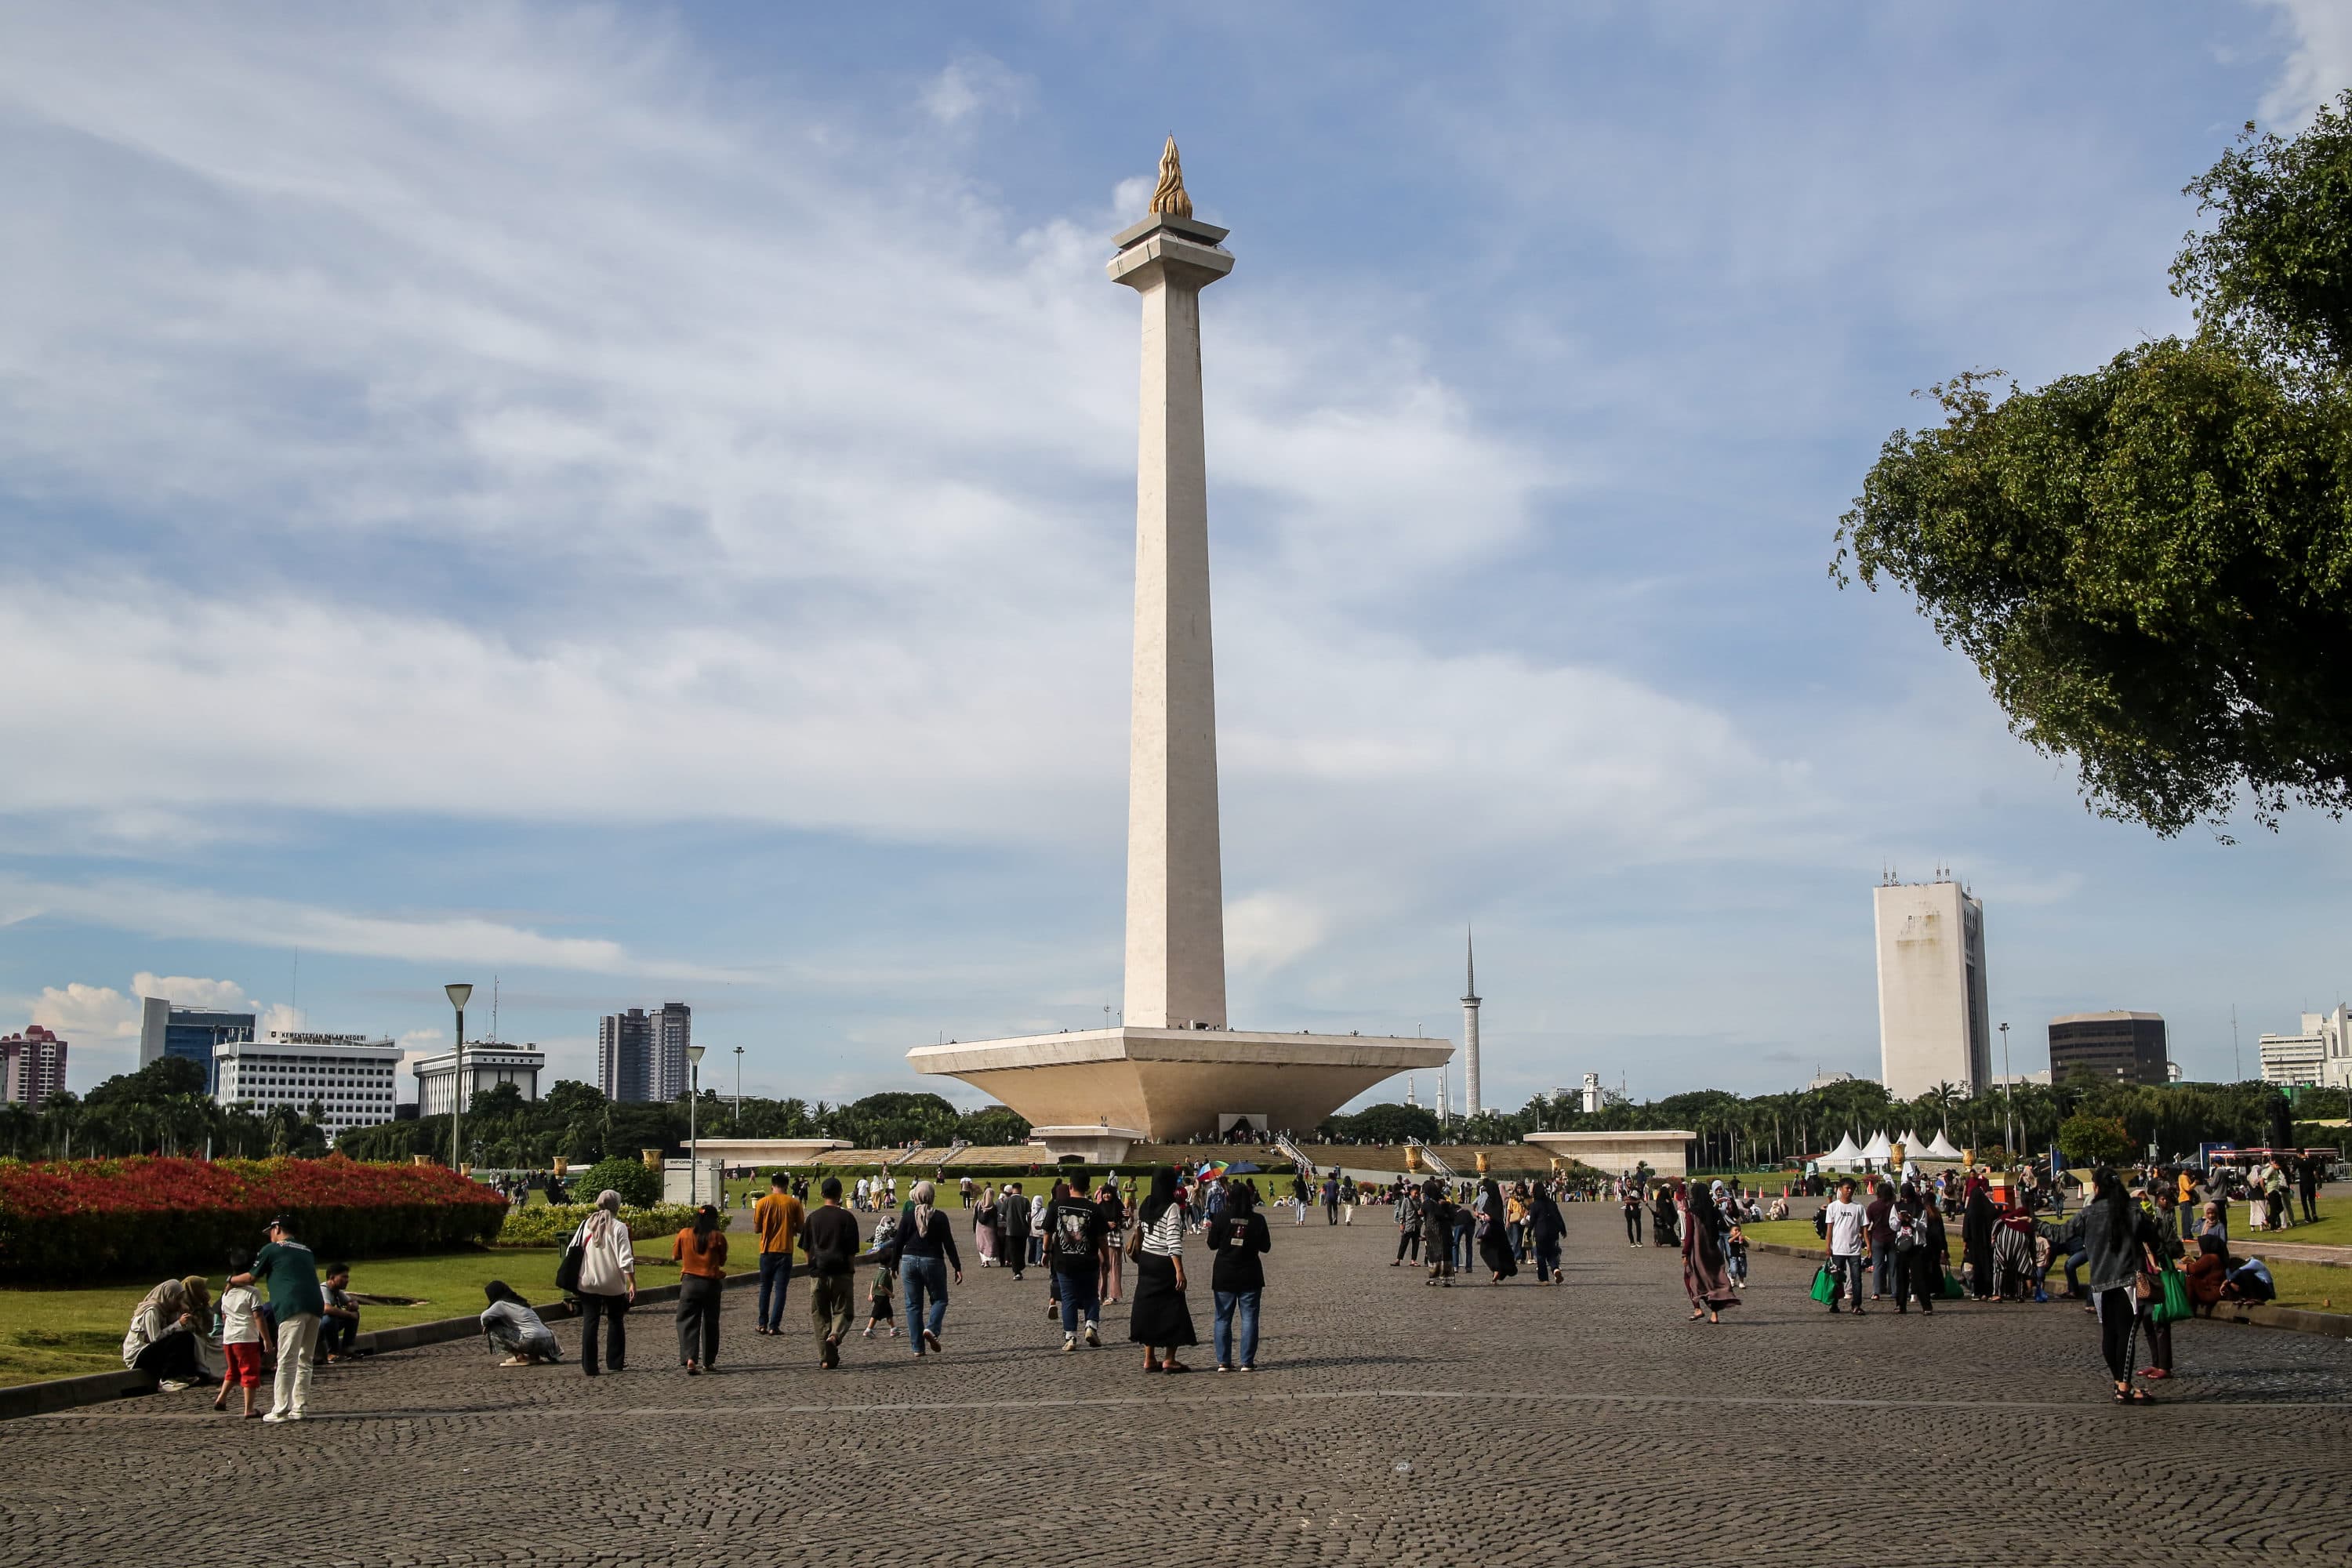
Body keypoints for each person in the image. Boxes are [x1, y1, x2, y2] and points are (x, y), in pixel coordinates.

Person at [2079, 1167, 2163, 1403]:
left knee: (2110, 1334)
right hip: (2129, 1281)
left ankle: (2119, 1383)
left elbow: (2062, 1233)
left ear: (2096, 1188)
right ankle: (2124, 1387)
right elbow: (2154, 1237)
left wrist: (2032, 1222)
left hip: (2100, 1283)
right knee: (2127, 1335)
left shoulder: (2088, 1213)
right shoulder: (2133, 1209)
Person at [238, 1215, 325, 1422]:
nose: (270, 1235)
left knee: (287, 1358)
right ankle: (300, 1407)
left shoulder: (273, 1249)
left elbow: (251, 1277)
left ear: (277, 1228)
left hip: (291, 1306)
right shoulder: (306, 1250)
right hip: (315, 1305)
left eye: (270, 1231)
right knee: (305, 1360)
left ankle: (281, 1409)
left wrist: (230, 1280)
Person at [1131, 1168, 1198, 1371]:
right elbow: (1172, 1241)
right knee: (1173, 1309)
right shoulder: (1172, 1208)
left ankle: (1149, 1357)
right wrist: (1179, 1270)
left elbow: (1140, 1229)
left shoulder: (1146, 1204)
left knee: (1148, 1308)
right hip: (1164, 1263)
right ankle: (1170, 1358)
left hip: (1146, 1261)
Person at [893, 1179, 964, 1356]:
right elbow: (948, 1243)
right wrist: (957, 1266)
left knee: (913, 1305)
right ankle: (931, 1328)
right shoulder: (940, 1217)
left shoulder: (908, 1216)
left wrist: (893, 1264)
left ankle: (917, 1348)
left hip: (909, 1260)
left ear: (916, 1195)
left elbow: (898, 1242)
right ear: (932, 1196)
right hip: (932, 1260)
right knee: (940, 1299)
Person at [1207, 1180, 1271, 1372]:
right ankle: (1247, 1362)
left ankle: (1224, 1361)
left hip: (1225, 1273)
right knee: (1249, 1318)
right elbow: (1266, 1247)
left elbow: (1212, 1244)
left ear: (1229, 1198)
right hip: (1249, 1272)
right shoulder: (1258, 1220)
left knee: (1222, 1318)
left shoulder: (1221, 1217)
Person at [571, 1188, 636, 1377]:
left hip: (588, 1281)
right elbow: (625, 1258)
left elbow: (572, 1250)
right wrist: (632, 1282)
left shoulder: (586, 1224)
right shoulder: (618, 1227)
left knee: (590, 1321)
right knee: (615, 1319)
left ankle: (589, 1365)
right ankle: (615, 1361)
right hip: (612, 1282)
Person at [1046, 1174, 1109, 1350]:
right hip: (1088, 1260)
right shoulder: (1094, 1209)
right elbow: (1102, 1238)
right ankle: (1091, 1326)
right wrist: (1106, 1258)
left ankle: (1070, 1337)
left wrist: (1045, 1252)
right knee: (1091, 1296)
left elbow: (1047, 1232)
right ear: (1088, 1187)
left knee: (1068, 1298)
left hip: (1064, 1260)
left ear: (1070, 1186)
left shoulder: (1057, 1206)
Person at [802, 1176, 860, 1369]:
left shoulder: (813, 1218)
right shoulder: (847, 1218)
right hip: (841, 1271)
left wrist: (811, 1267)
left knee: (820, 1316)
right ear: (841, 1194)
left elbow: (806, 1247)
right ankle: (835, 1336)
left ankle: (826, 1358)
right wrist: (850, 1270)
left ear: (821, 1194)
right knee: (844, 1311)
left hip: (818, 1272)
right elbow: (852, 1250)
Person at [122, 1276, 211, 1392]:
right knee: (178, 1338)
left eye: (181, 1299)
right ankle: (166, 1379)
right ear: (168, 1296)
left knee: (186, 1337)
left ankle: (185, 1374)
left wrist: (183, 1314)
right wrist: (178, 1324)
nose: (179, 1303)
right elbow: (156, 1338)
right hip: (138, 1355)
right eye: (177, 1299)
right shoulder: (152, 1311)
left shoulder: (166, 1310)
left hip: (151, 1349)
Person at [671, 1204, 728, 1375]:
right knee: (711, 1322)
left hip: (690, 1283)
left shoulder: (684, 1234)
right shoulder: (717, 1237)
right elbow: (723, 1260)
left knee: (687, 1320)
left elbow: (675, 1256)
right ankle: (709, 1361)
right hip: (711, 1283)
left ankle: (690, 1358)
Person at [212, 1251, 265, 1416]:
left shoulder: (226, 1292)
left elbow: (224, 1315)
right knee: (250, 1371)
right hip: (246, 1337)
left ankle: (221, 1399)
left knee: (233, 1370)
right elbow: (258, 1317)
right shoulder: (252, 1293)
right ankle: (249, 1408)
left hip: (229, 1338)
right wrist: (266, 1339)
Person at [753, 1171, 804, 1338]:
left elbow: (756, 1229)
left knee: (765, 1288)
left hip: (766, 1250)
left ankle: (762, 1323)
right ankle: (774, 1325)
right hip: (785, 1250)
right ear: (787, 1186)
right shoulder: (794, 1203)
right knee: (780, 1290)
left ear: (772, 1186)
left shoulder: (762, 1202)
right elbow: (801, 1229)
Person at [1679, 1181, 1739, 1323]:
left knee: (1690, 1278)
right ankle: (1714, 1314)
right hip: (1713, 1250)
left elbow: (1689, 1235)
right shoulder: (1713, 1210)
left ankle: (1697, 1308)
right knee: (1713, 1282)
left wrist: (1685, 1253)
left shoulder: (1692, 1213)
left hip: (1698, 1251)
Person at [481, 1281, 563, 1366]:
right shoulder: (521, 1303)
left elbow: (484, 1316)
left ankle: (519, 1357)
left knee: (493, 1328)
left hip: (530, 1341)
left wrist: (486, 1325)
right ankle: (534, 1357)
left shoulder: (501, 1304)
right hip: (548, 1341)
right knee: (528, 1328)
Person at [1822, 1178, 1868, 1315]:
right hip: (1838, 1249)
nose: (1849, 1191)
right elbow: (1829, 1229)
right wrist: (1828, 1247)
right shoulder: (1833, 1207)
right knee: (1836, 1279)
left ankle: (1856, 1305)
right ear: (1840, 1189)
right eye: (1847, 1188)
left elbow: (1864, 1228)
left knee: (1856, 1279)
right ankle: (1834, 1303)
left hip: (1854, 1249)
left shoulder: (1858, 1207)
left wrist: (1868, 1245)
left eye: (1852, 1189)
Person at [862, 1210, 899, 1338]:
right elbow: (881, 1285)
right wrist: (891, 1294)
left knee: (889, 1313)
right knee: (876, 1314)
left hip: (879, 1295)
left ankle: (893, 1329)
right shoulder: (885, 1273)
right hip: (882, 1296)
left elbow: (874, 1281)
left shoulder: (880, 1270)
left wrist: (870, 1293)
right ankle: (868, 1329)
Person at [1475, 1178, 1519, 1283]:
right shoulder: (1498, 1199)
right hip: (1500, 1229)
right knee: (1500, 1252)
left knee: (1485, 1251)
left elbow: (1489, 1217)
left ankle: (1496, 1269)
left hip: (1491, 1231)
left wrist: (1480, 1215)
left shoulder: (1490, 1200)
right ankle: (1498, 1273)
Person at [318, 1263, 361, 1361]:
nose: (347, 1280)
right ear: (332, 1277)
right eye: (344, 1277)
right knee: (329, 1319)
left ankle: (348, 1350)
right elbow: (326, 1309)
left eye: (347, 1277)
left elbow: (352, 1302)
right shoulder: (323, 1289)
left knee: (355, 1314)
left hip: (325, 1324)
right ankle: (331, 1353)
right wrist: (349, 1314)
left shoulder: (336, 1290)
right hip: (315, 1326)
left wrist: (353, 1305)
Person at [1962, 1181, 1996, 1300]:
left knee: (1976, 1267)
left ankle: (1977, 1291)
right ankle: (1989, 1290)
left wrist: (1965, 1244)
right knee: (1988, 1266)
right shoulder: (1989, 1209)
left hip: (1974, 1244)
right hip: (1987, 1243)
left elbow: (1966, 1230)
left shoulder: (1970, 1211)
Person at [1095, 1179, 1127, 1305]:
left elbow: (1126, 1225)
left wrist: (1130, 1217)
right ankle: (1100, 1295)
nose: (1106, 1195)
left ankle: (1114, 1296)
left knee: (1114, 1268)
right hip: (1101, 1240)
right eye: (1104, 1193)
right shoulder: (1098, 1208)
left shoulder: (1119, 1206)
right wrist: (1105, 1223)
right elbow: (1094, 1223)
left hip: (1114, 1242)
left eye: (1109, 1193)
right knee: (1101, 1267)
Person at [1421, 1178, 1455, 1287]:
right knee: (1445, 1255)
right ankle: (1446, 1280)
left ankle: (1433, 1279)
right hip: (1446, 1232)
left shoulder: (1428, 1203)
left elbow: (1422, 1213)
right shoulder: (1444, 1201)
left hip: (1433, 1233)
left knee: (1434, 1255)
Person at [999, 1181, 1030, 1281]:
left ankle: (1016, 1271)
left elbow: (1001, 1215)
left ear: (1013, 1190)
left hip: (1011, 1230)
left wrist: (1008, 1222)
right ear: (1021, 1189)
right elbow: (1029, 1216)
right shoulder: (1025, 1200)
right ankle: (1020, 1267)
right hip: (1022, 1230)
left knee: (1013, 1251)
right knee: (1021, 1250)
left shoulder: (1007, 1201)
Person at [1393, 1181, 1423, 1267]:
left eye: (1418, 1193)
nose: (1417, 1195)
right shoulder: (1406, 1201)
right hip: (1408, 1225)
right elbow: (1402, 1213)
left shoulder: (1419, 1201)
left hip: (1417, 1225)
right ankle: (1398, 1259)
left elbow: (1422, 1213)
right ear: (1411, 1192)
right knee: (1404, 1243)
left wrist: (1421, 1214)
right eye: (1415, 1193)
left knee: (1416, 1243)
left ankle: (1413, 1260)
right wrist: (1401, 1223)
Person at [974, 1185, 1000, 1268]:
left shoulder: (979, 1203)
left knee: (982, 1243)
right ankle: (986, 1261)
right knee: (989, 1243)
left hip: (980, 1227)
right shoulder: (993, 1206)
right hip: (990, 1228)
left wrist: (974, 1227)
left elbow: (975, 1217)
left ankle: (984, 1261)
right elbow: (995, 1219)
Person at [1621, 1179, 1643, 1247]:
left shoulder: (1635, 1189)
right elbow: (1626, 1201)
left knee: (1638, 1225)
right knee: (1629, 1226)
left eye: (1630, 1182)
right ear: (1625, 1183)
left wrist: (1632, 1200)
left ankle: (1639, 1241)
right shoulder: (1624, 1191)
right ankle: (1632, 1242)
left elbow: (1641, 1196)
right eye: (1628, 1182)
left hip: (1636, 1209)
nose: (1630, 1183)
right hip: (1628, 1210)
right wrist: (1635, 1201)